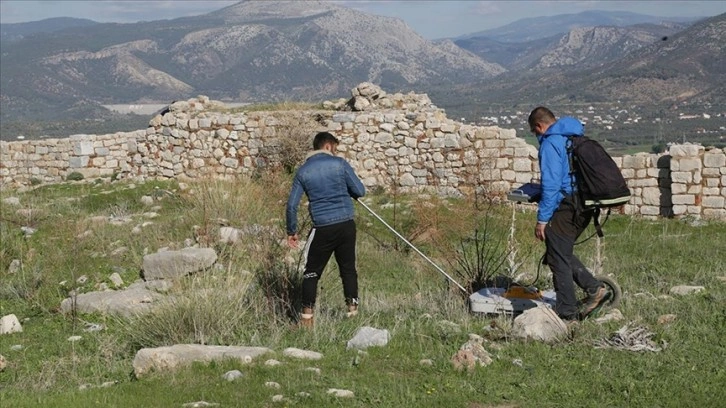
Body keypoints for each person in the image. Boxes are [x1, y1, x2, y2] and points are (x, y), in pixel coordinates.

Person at [528, 106, 610, 321]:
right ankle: (593, 289)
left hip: (568, 205)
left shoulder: (551, 143)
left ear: (539, 126)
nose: (536, 136)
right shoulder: (571, 137)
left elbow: (552, 184)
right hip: (585, 203)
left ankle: (568, 312)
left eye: (534, 132)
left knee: (558, 258)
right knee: (558, 250)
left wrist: (542, 219)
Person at [286, 131, 366, 327]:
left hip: (322, 227)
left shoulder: (303, 171)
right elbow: (359, 190)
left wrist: (292, 231)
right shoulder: (340, 164)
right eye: (335, 148)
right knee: (348, 269)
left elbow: (291, 205)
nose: (335, 151)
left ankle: (307, 318)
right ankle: (352, 313)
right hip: (346, 225)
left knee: (311, 272)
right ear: (328, 146)